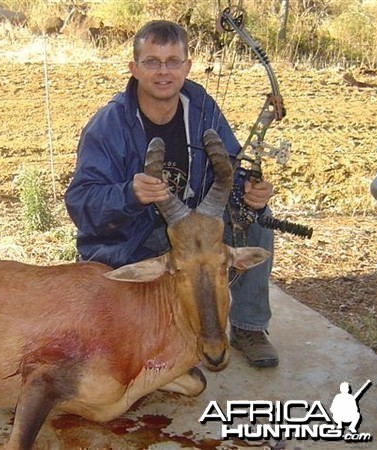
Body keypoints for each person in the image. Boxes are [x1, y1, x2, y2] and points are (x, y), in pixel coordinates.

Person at [64, 20, 278, 368]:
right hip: (134, 238)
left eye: (172, 61)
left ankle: (248, 326)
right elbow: (80, 204)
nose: (163, 72)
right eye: (152, 62)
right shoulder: (108, 125)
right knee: (119, 341)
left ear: (187, 66)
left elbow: (233, 165)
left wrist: (250, 191)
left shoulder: (202, 106)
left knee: (257, 216)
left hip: (193, 228)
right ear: (134, 69)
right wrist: (129, 193)